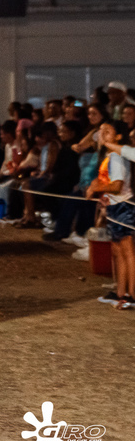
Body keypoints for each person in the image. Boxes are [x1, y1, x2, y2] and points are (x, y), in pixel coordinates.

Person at [89, 120, 134, 308]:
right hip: (116, 206)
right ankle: (121, 293)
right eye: (101, 131)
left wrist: (96, 188)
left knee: (127, 251)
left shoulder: (116, 156)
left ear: (118, 137)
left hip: (124, 206)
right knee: (117, 251)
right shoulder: (110, 156)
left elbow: (117, 186)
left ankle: (131, 294)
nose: (101, 135)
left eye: (107, 131)